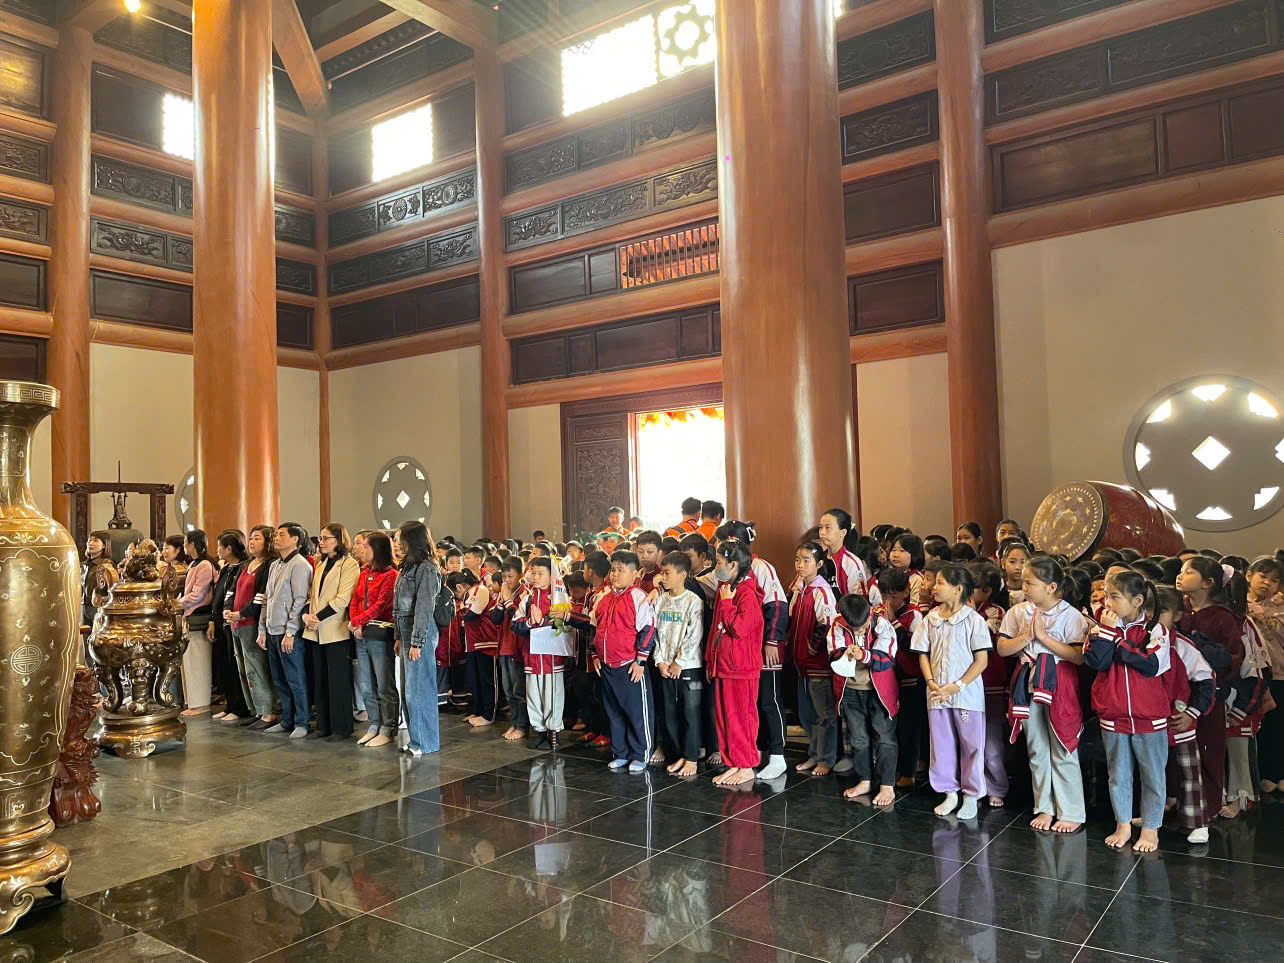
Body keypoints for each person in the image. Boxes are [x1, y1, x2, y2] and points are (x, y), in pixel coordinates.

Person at [998, 554, 1088, 833]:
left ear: (1051, 587)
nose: (1024, 587)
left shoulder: (1071, 615)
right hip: (1026, 681)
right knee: (1036, 747)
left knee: (1062, 744)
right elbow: (1002, 649)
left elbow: (1078, 657)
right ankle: (1044, 807)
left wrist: (1044, 638)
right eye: (1024, 582)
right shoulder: (1018, 612)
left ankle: (1071, 811)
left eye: (1030, 583)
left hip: (1059, 682)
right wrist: (1027, 636)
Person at [1086, 571, 1169, 853]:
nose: (1107, 603)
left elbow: (1150, 664)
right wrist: (1108, 633)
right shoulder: (1100, 628)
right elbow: (1097, 661)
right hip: (1113, 714)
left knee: (1153, 776)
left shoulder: (1155, 630)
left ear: (1137, 601)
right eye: (1105, 596)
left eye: (1115, 597)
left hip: (1150, 716)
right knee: (1118, 775)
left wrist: (1117, 642)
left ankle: (1150, 829)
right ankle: (1122, 825)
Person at [911, 562, 991, 820]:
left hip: (966, 696)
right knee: (942, 745)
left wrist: (958, 685)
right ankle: (950, 793)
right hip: (937, 695)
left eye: (940, 583)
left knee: (971, 745)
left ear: (958, 589)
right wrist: (930, 681)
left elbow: (981, 661)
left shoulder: (974, 620)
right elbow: (923, 654)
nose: (934, 587)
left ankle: (971, 795)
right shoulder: (930, 619)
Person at [1176, 555, 1244, 824]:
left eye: (1188, 572)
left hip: (1209, 695)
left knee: (1209, 750)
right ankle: (1181, 802)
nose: (1180, 576)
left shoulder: (1222, 618)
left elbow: (1232, 658)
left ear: (1208, 583)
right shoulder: (1179, 610)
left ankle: (1210, 805)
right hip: (1179, 694)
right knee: (1179, 751)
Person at [1155, 585, 1215, 844]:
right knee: (1151, 771)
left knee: (1189, 772)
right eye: (1147, 610)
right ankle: (1152, 815)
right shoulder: (1137, 641)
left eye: (1161, 611)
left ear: (1177, 615)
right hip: (1150, 722)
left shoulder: (1183, 646)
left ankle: (1197, 822)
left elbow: (1206, 681)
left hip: (1180, 720)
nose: (1152, 617)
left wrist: (1192, 712)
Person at [830, 593, 899, 806]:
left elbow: (887, 658)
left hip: (879, 691)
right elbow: (833, 653)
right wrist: (846, 654)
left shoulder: (881, 623)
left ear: (869, 613)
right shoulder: (837, 625)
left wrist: (864, 655)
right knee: (858, 738)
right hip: (851, 690)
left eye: (862, 627)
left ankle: (887, 785)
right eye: (854, 628)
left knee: (885, 737)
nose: (859, 631)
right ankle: (865, 780)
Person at [591, 550, 657, 771]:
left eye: (621, 570)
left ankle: (641, 754)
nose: (615, 574)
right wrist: (594, 655)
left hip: (629, 665)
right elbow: (594, 628)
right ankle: (620, 753)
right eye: (613, 570)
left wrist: (640, 661)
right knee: (614, 713)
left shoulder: (638, 597)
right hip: (606, 665)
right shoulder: (603, 597)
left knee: (636, 713)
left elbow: (648, 630)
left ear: (634, 573)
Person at [706, 539, 763, 786]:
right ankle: (734, 763)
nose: (716, 567)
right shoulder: (727, 587)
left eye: (719, 562)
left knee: (741, 719)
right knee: (726, 719)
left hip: (741, 667)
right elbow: (715, 628)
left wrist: (728, 604)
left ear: (733, 565)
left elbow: (739, 629)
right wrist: (710, 659)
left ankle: (746, 765)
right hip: (725, 665)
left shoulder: (747, 592)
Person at [302, 523, 360, 742]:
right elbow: (312, 597)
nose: (321, 542)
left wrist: (317, 617)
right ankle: (323, 726)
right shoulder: (321, 563)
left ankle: (341, 728)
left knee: (338, 681)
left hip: (336, 629)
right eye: (321, 538)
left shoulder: (349, 564)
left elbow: (343, 598)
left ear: (339, 540)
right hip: (315, 629)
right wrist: (307, 616)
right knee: (320, 679)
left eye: (326, 538)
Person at [652, 551, 705, 778]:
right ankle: (677, 756)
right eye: (662, 572)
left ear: (683, 575)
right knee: (669, 713)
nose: (663, 577)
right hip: (665, 666)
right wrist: (660, 661)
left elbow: (694, 635)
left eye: (667, 573)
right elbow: (655, 634)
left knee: (690, 713)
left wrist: (679, 662)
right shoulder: (661, 600)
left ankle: (692, 758)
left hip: (688, 666)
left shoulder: (694, 601)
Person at [259, 522, 314, 739]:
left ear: (295, 540)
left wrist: (290, 632)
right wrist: (262, 629)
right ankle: (286, 720)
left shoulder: (300, 565)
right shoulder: (275, 565)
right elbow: (267, 599)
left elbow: (300, 600)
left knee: (295, 678)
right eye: (276, 535)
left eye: (282, 535)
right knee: (279, 679)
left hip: (289, 632)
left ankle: (302, 721)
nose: (276, 538)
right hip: (272, 630)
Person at [393, 520, 443, 756]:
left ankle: (425, 742)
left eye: (399, 538)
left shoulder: (426, 568)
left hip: (419, 629)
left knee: (420, 689)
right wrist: (398, 637)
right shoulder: (408, 567)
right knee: (409, 689)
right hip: (406, 630)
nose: (395, 543)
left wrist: (417, 641)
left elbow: (424, 606)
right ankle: (416, 739)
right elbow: (398, 608)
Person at [790, 541, 837, 776]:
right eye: (797, 560)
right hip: (801, 665)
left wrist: (811, 647)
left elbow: (827, 624)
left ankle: (826, 758)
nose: (800, 565)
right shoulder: (800, 589)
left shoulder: (821, 591)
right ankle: (814, 753)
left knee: (824, 715)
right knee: (807, 714)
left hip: (818, 665)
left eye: (806, 560)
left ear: (818, 564)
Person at [227, 525, 279, 730]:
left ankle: (268, 711)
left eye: (257, 538)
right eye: (251, 538)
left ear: (267, 542)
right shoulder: (245, 564)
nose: (252, 542)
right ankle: (256, 709)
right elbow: (232, 590)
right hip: (235, 623)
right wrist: (227, 610)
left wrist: (242, 613)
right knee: (243, 669)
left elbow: (261, 596)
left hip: (251, 622)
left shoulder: (269, 565)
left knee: (256, 669)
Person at [350, 531, 398, 748]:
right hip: (361, 633)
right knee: (366, 685)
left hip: (379, 634)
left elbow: (381, 604)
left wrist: (358, 621)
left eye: (366, 546)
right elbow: (355, 599)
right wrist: (355, 622)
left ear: (377, 549)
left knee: (384, 684)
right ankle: (374, 724)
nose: (362, 549)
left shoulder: (391, 575)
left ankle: (388, 727)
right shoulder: (364, 572)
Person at [513, 556, 566, 750]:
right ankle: (540, 730)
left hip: (552, 657)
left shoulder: (559, 596)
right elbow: (515, 623)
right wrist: (530, 622)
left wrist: (542, 622)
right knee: (533, 695)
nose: (535, 577)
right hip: (531, 655)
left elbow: (565, 624)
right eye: (533, 573)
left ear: (551, 576)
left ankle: (554, 731)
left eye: (540, 573)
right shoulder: (527, 598)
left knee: (552, 695)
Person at [1248, 556, 1284, 794]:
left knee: (1277, 727)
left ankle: (1276, 773)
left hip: (1279, 674)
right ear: (1249, 576)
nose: (1267, 583)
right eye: (1263, 576)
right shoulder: (1237, 604)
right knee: (1256, 728)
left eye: (1274, 580)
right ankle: (1259, 775)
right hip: (1252, 675)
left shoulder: (1280, 607)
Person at [209, 531, 251, 724]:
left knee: (235, 667)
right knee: (223, 666)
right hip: (221, 622)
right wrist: (213, 620)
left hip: (234, 622)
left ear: (229, 548)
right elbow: (218, 594)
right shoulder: (226, 568)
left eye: (220, 546)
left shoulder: (242, 567)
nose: (217, 550)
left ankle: (239, 707)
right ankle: (229, 705)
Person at [179, 530, 216, 716]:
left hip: (198, 616)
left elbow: (198, 594)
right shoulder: (193, 564)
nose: (184, 546)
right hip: (188, 615)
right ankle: (191, 702)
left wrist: (177, 603)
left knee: (198, 662)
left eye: (186, 542)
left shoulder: (205, 565)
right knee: (189, 662)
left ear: (192, 544)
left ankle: (201, 704)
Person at [493, 556, 529, 742]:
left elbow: (518, 619)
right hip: (503, 648)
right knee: (508, 690)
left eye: (510, 576)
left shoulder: (525, 594)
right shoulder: (504, 593)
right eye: (504, 577)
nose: (507, 581)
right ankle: (514, 722)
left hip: (517, 649)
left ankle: (522, 726)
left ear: (520, 575)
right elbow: (495, 619)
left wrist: (508, 601)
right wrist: (502, 600)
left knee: (519, 690)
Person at [461, 563, 500, 727]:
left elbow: (470, 614)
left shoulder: (480, 589)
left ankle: (489, 715)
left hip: (485, 641)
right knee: (474, 680)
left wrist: (462, 608)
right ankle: (478, 710)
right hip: (472, 642)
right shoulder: (469, 593)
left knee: (487, 680)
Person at [81, 530, 118, 632]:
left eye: (96, 541)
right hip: (84, 606)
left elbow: (111, 588)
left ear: (104, 545)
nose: (90, 543)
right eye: (89, 540)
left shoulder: (107, 564)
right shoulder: (85, 565)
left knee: (98, 636)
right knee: (86, 636)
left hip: (98, 607)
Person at [888, 532, 927, 609]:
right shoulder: (890, 575)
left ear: (914, 554)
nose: (895, 555)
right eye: (893, 550)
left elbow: (914, 607)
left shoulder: (917, 579)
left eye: (902, 551)